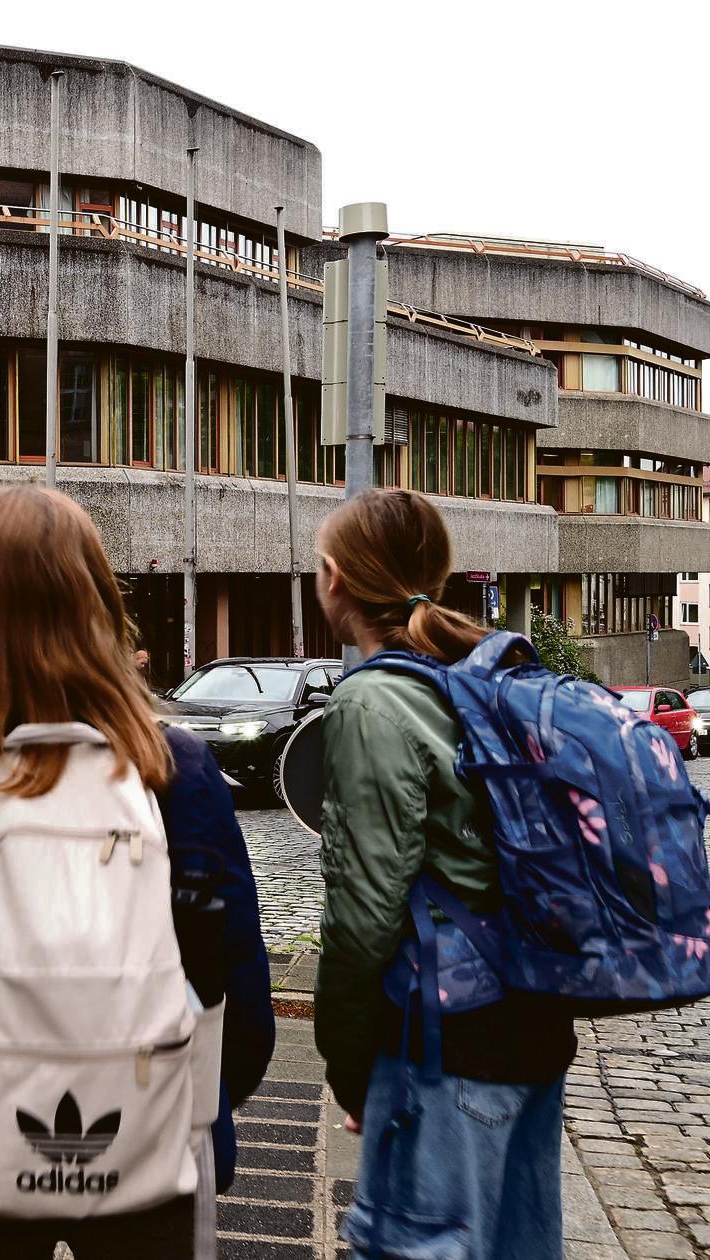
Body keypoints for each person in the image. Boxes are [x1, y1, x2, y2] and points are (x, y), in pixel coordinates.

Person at [0, 485, 274, 1260]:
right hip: (151, 1153)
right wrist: (180, 1100)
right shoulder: (177, 772)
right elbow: (235, 987)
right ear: (98, 608)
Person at [313, 488, 571, 1258]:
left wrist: (348, 1066)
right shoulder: (487, 680)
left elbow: (363, 918)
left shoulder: (373, 703)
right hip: (532, 1027)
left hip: (442, 1046)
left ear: (333, 578)